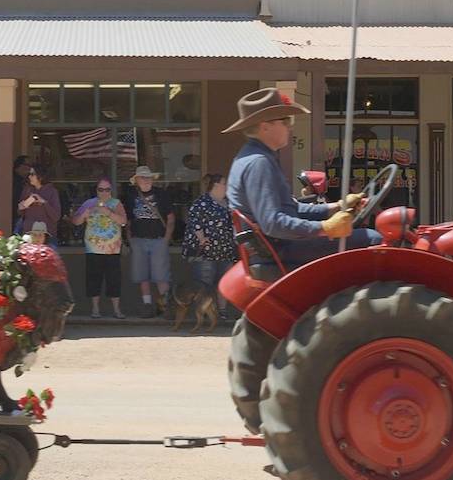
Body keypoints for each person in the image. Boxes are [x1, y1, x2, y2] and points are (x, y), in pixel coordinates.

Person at [224, 88, 380, 270]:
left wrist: (336, 206)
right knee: (374, 238)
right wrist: (325, 228)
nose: (290, 126)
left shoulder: (253, 157)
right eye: (285, 120)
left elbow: (291, 208)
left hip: (272, 247)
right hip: (279, 248)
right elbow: (273, 223)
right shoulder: (259, 162)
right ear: (264, 126)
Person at [182, 173, 237, 320]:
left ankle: (222, 311)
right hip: (205, 252)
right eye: (225, 183)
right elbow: (195, 222)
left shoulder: (229, 203)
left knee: (224, 283)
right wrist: (201, 238)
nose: (227, 186)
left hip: (225, 251)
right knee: (204, 285)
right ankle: (204, 314)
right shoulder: (202, 202)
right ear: (215, 185)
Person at [123, 166, 175, 319]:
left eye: (148, 177)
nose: (146, 180)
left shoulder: (162, 194)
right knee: (142, 275)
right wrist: (130, 238)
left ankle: (165, 306)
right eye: (142, 178)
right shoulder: (131, 195)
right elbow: (128, 220)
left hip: (158, 239)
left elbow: (170, 218)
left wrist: (166, 238)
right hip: (138, 240)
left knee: (162, 275)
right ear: (137, 181)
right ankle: (147, 306)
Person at [72, 178, 128, 319]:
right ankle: (95, 309)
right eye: (100, 189)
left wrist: (108, 212)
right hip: (93, 248)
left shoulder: (116, 203)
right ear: (96, 190)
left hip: (112, 249)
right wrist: (84, 215)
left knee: (114, 280)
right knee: (93, 280)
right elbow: (75, 221)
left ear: (111, 190)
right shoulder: (89, 203)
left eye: (107, 189)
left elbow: (123, 221)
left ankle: (117, 310)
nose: (104, 192)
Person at [17, 164, 61, 247]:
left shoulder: (52, 191)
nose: (29, 177)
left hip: (47, 236)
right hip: (29, 235)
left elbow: (56, 216)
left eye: (32, 174)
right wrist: (22, 207)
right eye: (29, 174)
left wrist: (44, 202)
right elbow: (21, 213)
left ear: (41, 176)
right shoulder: (27, 190)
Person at [12, 155, 31, 233]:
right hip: (15, 216)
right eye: (28, 165)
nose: (29, 168)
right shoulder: (12, 180)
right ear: (19, 165)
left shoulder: (25, 181)